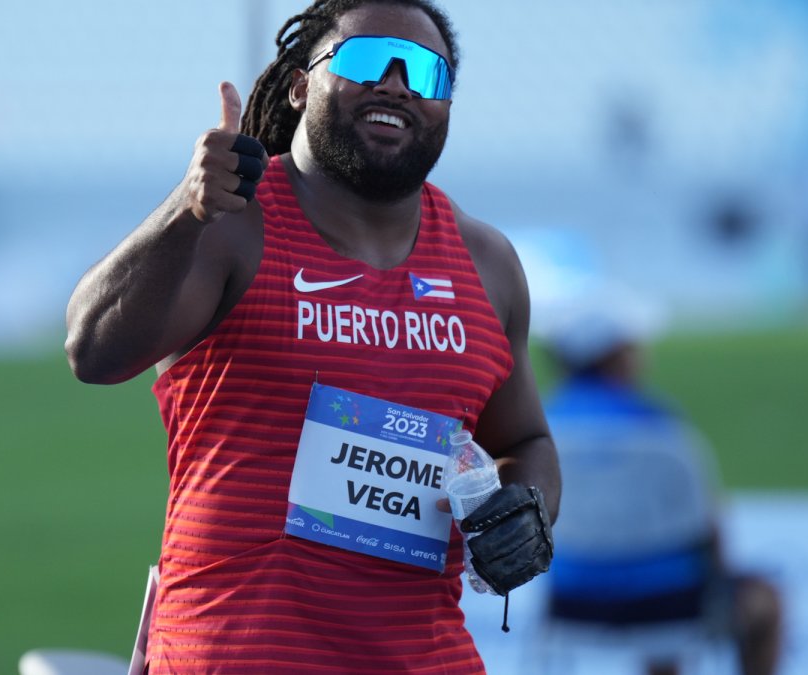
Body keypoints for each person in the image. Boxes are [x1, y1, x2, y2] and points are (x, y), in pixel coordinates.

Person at [64, 1, 559, 672]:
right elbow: (92, 351)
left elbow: (526, 441)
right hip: (237, 656)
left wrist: (526, 512)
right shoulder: (231, 225)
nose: (393, 83)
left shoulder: (487, 265)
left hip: (426, 656)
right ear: (300, 85)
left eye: (422, 71)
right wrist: (184, 209)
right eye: (362, 60)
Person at [537, 285, 782, 675]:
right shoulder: (658, 424)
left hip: (570, 599)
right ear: (613, 356)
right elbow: (708, 526)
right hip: (669, 602)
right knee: (765, 600)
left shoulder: (540, 426)